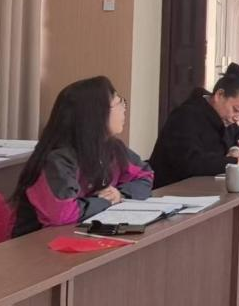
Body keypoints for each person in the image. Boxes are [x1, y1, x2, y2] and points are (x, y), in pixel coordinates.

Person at [11, 76, 153, 237]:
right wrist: (105, 201)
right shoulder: (57, 159)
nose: (124, 109)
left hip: (84, 235)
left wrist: (120, 194)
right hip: (38, 243)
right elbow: (63, 213)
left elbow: (145, 175)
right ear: (95, 114)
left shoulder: (112, 147)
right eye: (119, 103)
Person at [149, 63, 239, 188]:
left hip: (206, 190)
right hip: (171, 191)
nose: (237, 117)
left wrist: (236, 149)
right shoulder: (185, 117)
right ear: (219, 95)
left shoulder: (226, 121)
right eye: (236, 109)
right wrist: (236, 162)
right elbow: (190, 164)